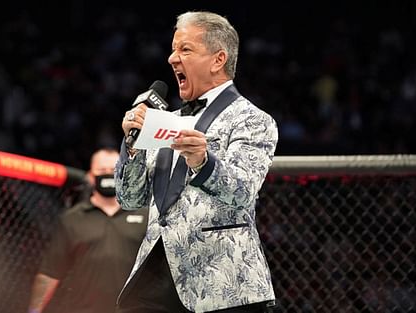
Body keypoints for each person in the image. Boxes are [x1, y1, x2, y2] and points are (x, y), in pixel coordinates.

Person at [115, 11, 278, 313]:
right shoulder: (165, 121)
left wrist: (203, 161)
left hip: (221, 281)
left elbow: (242, 193)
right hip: (154, 278)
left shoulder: (253, 120)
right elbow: (129, 198)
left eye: (185, 49)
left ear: (218, 60)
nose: (171, 58)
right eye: (173, 48)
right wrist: (132, 144)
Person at [27, 148, 148, 313]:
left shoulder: (145, 216)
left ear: (123, 173)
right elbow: (50, 272)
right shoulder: (73, 219)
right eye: (101, 170)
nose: (107, 174)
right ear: (91, 176)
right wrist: (34, 311)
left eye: (113, 170)